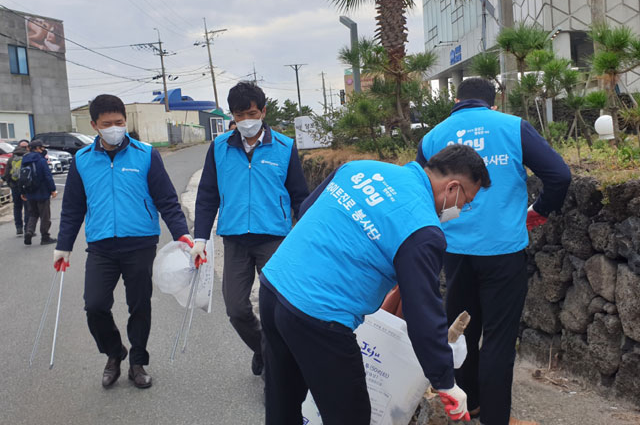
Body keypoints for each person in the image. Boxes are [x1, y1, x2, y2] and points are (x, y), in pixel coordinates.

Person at [259, 144, 491, 424]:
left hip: (274, 286)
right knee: (351, 416)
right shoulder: (422, 229)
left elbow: (308, 208)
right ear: (452, 188)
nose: (460, 210)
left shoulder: (360, 168)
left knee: (282, 405)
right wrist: (445, 380)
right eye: (465, 202)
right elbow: (422, 312)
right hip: (321, 316)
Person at [416, 78, 571, 425]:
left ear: (455, 100)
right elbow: (559, 175)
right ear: (493, 103)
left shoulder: (434, 136)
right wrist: (539, 211)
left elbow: (421, 191)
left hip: (454, 251)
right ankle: (496, 418)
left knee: (462, 330)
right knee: (499, 339)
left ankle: (469, 407)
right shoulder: (513, 127)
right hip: (504, 250)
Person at [53, 94, 193, 389]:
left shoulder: (146, 154)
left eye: (119, 122)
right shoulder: (82, 160)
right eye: (107, 124)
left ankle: (138, 362)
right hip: (101, 246)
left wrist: (183, 235)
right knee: (95, 306)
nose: (115, 128)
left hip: (140, 243)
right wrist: (63, 246)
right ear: (94, 125)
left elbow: (166, 200)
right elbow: (73, 208)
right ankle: (115, 352)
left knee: (139, 305)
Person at [191, 81, 309, 377]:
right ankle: (264, 350)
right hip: (235, 240)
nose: (246, 121)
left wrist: (307, 235)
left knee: (278, 309)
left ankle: (275, 364)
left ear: (263, 111)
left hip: (273, 239)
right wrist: (200, 238)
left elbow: (299, 195)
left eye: (252, 113)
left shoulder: (284, 147)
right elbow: (207, 195)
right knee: (236, 309)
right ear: (232, 115)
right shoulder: (219, 148)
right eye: (240, 115)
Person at [22, 139, 57, 245]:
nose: (44, 149)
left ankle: (29, 231)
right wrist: (52, 189)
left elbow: (22, 177)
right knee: (45, 215)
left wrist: (23, 192)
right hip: (42, 192)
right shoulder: (41, 160)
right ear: (37, 148)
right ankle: (45, 237)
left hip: (29, 191)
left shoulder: (25, 159)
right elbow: (47, 176)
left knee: (33, 214)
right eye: (42, 147)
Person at [1, 139, 30, 235]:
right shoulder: (28, 157)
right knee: (27, 207)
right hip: (26, 186)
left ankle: (18, 227)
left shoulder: (12, 157)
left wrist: (10, 184)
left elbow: (6, 174)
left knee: (17, 207)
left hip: (14, 186)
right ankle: (27, 228)